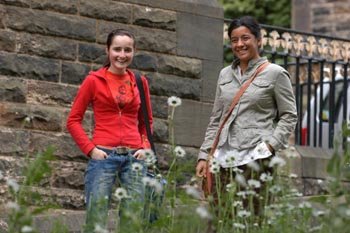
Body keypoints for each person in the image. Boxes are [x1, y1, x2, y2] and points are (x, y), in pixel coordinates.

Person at [196, 16, 297, 215]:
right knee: (218, 220)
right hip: (222, 159)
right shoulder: (225, 74)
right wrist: (203, 155)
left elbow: (289, 115)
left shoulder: (275, 73)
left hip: (256, 158)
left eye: (245, 38)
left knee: (252, 218)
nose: (239, 44)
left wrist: (270, 145)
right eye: (234, 40)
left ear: (258, 40)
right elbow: (217, 117)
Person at [66, 29, 153, 232]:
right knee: (96, 217)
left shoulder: (140, 82)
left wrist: (145, 146)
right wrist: (91, 150)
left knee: (133, 218)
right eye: (117, 49)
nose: (122, 55)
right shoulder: (93, 81)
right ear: (108, 50)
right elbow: (73, 120)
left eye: (127, 50)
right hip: (103, 156)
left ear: (134, 51)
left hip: (135, 158)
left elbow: (146, 121)